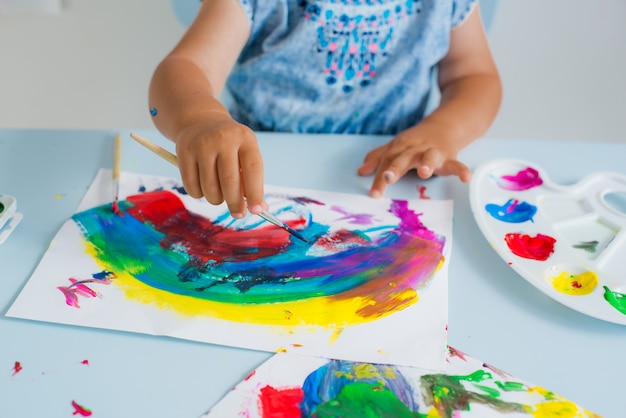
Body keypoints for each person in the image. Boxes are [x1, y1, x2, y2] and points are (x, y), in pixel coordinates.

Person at [148, 0, 502, 219]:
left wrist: (443, 132)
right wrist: (198, 119)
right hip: (263, 177)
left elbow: (474, 77)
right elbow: (184, 67)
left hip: (396, 181)